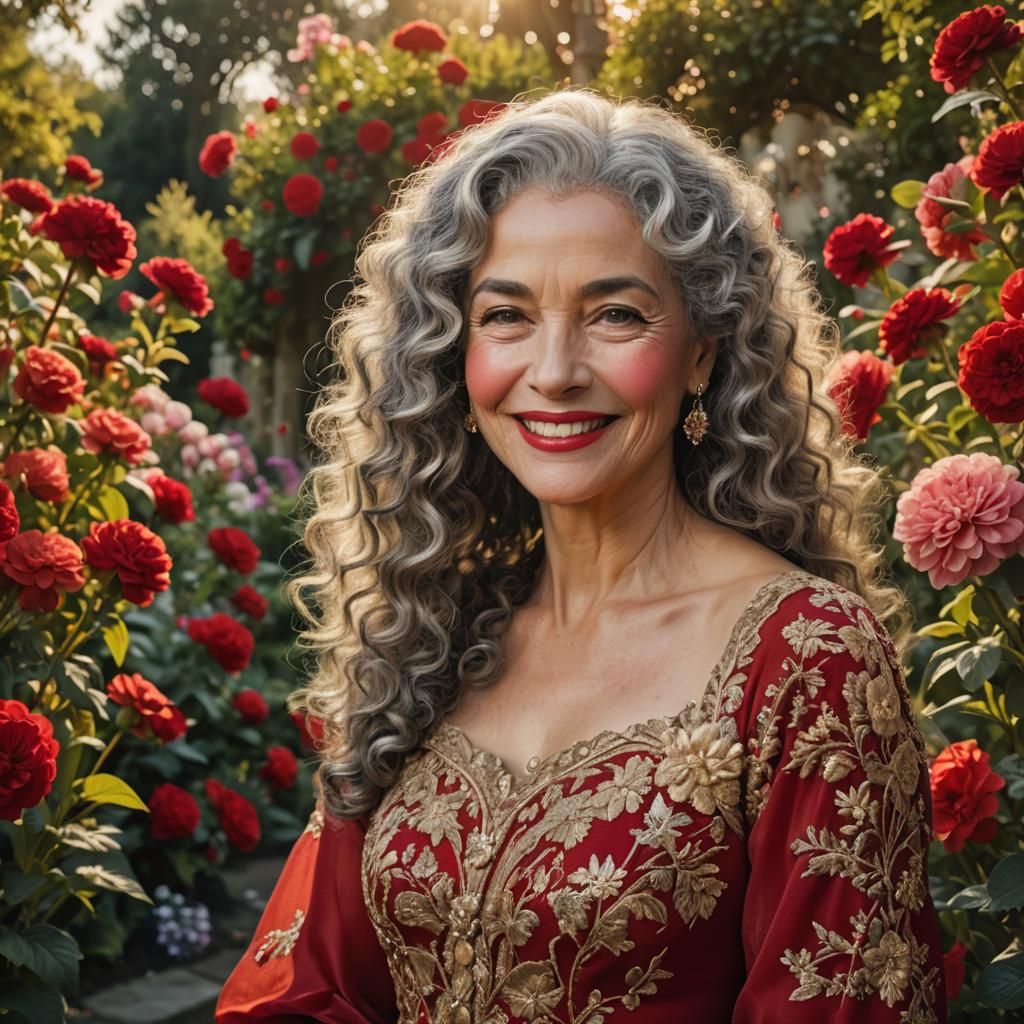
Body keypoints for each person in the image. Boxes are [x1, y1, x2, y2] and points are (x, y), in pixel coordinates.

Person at [215, 87, 948, 1023]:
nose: (554, 370)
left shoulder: (806, 657)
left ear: (702, 353)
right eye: (506, 316)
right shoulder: (437, 631)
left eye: (616, 315)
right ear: (452, 348)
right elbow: (313, 984)